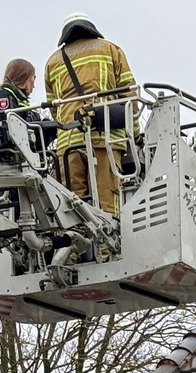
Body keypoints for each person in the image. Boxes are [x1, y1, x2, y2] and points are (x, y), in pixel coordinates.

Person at [44, 12, 136, 218]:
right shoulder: (111, 50)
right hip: (105, 139)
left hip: (68, 143)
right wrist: (135, 134)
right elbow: (129, 96)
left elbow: (53, 107)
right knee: (107, 206)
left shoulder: (52, 62)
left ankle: (76, 249)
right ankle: (108, 250)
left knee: (72, 206)